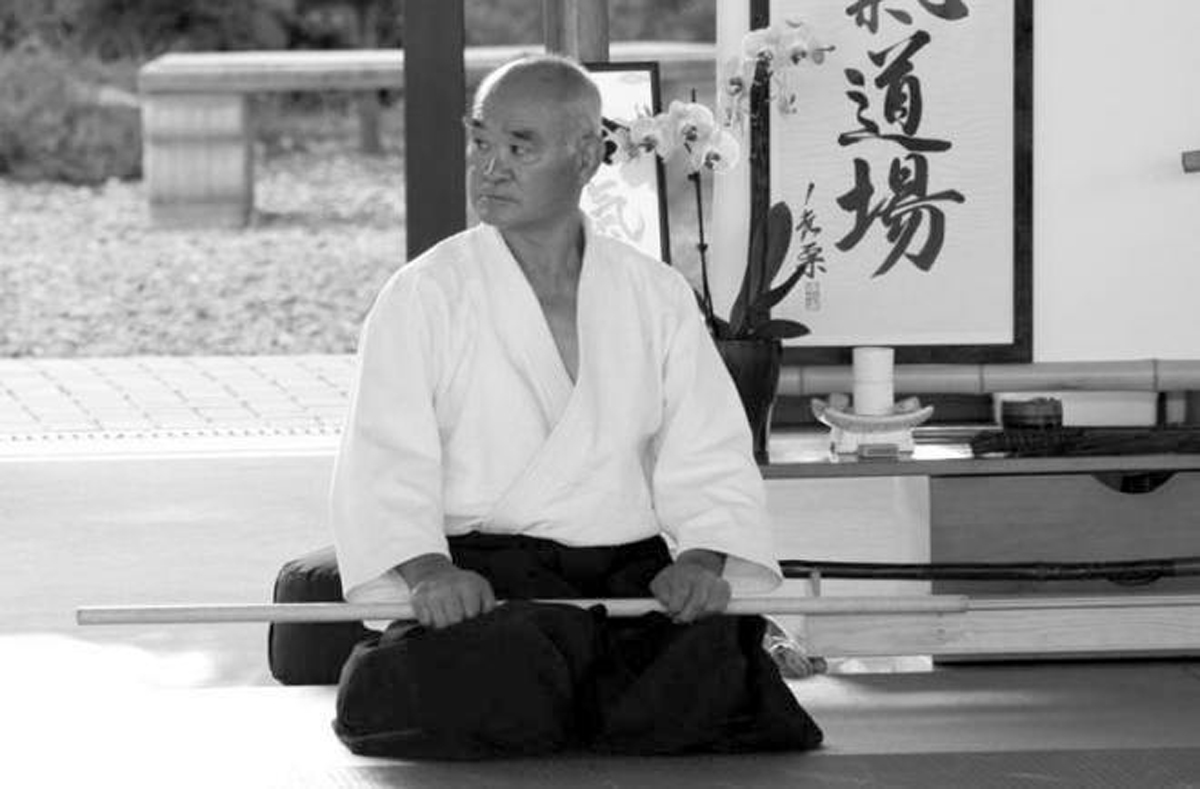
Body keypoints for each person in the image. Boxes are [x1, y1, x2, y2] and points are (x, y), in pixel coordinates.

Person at [329, 54, 822, 759]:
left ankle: (577, 691)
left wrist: (701, 561)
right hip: (492, 585)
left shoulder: (653, 293)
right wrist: (430, 573)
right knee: (498, 659)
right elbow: (384, 456)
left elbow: (706, 447)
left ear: (586, 155)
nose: (490, 168)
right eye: (480, 142)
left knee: (711, 658)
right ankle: (586, 694)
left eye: (519, 147)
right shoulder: (425, 293)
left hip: (626, 583)